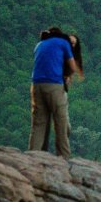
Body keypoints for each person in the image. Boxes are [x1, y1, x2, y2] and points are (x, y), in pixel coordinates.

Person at [29, 27, 83, 158]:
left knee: (39, 123)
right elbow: (71, 67)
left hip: (36, 85)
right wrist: (67, 75)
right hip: (54, 85)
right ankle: (63, 157)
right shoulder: (62, 43)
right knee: (61, 122)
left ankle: (33, 156)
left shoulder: (40, 44)